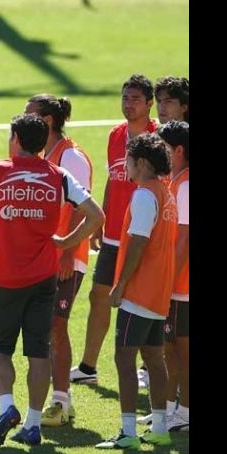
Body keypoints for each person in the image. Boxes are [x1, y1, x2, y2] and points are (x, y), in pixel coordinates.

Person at [0, 113, 103, 447]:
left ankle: (6, 406)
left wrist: (0, 236)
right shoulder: (59, 176)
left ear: (15, 138)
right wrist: (67, 242)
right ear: (43, 142)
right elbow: (97, 216)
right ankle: (31, 423)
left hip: (2, 277)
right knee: (38, 352)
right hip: (44, 277)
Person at [70, 74, 158, 386]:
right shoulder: (115, 135)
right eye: (125, 98)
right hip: (113, 234)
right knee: (99, 295)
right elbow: (112, 178)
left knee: (143, 302)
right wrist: (102, 219)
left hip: (145, 235)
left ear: (150, 103)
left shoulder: (158, 136)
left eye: (135, 99)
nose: (128, 104)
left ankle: (148, 369)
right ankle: (88, 367)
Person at [95, 133, 176, 450]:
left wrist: (121, 285)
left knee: (124, 358)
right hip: (158, 293)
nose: (124, 166)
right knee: (155, 360)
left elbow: (139, 243)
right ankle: (159, 428)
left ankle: (128, 432)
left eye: (128, 160)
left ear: (141, 162)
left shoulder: (143, 195)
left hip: (140, 292)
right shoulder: (164, 193)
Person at [23, 95, 93, 427]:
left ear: (48, 120)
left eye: (29, 114)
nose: (22, 118)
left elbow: (87, 210)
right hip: (44, 257)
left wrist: (67, 251)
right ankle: (61, 399)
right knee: (47, 327)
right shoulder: (44, 153)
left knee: (56, 326)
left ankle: (61, 401)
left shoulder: (72, 157)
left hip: (67, 257)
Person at [136, 121, 189, 432]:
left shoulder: (185, 186)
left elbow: (184, 239)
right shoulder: (176, 181)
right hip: (173, 284)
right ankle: (167, 409)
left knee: (182, 351)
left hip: (181, 285)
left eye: (164, 147)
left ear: (178, 150)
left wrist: (169, 281)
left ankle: (184, 412)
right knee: (168, 348)